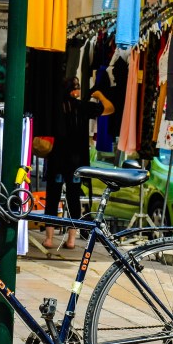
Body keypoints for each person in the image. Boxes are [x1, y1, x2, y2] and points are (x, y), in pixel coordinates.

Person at [42, 76, 114, 249]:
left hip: (57, 159)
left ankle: (50, 238)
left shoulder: (54, 106)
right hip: (76, 161)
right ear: (73, 90)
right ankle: (71, 239)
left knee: (52, 196)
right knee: (73, 197)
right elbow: (110, 108)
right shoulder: (83, 106)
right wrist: (99, 96)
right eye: (77, 88)